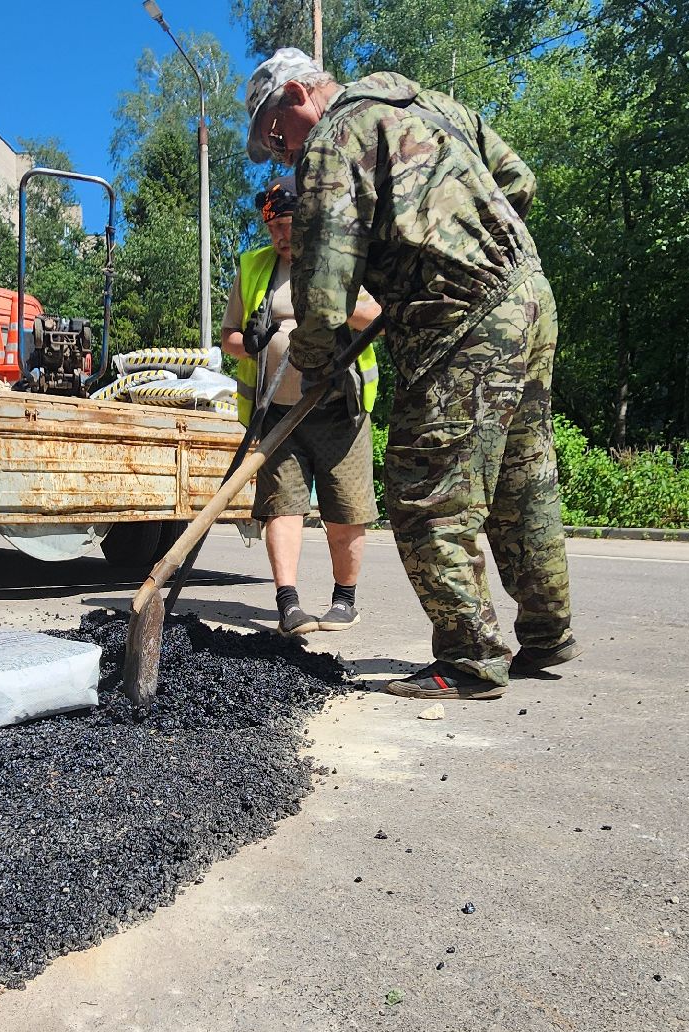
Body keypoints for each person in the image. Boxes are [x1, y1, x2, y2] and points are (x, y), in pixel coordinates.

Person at [243, 47, 577, 699]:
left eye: (276, 139)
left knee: (426, 485)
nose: (283, 155)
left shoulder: (333, 140)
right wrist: (464, 241)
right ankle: (547, 632)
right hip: (529, 295)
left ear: (294, 98)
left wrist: (311, 364)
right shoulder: (431, 104)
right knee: (521, 473)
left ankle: (470, 658)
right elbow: (520, 183)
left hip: (459, 318)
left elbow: (325, 288)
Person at [221, 183, 383, 635]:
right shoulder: (255, 267)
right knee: (282, 507)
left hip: (339, 410)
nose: (281, 237)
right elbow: (228, 338)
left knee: (345, 510)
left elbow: (379, 320)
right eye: (274, 228)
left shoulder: (344, 259)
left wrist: (338, 304)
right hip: (278, 413)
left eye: (289, 226)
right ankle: (288, 603)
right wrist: (250, 343)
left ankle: (344, 601)